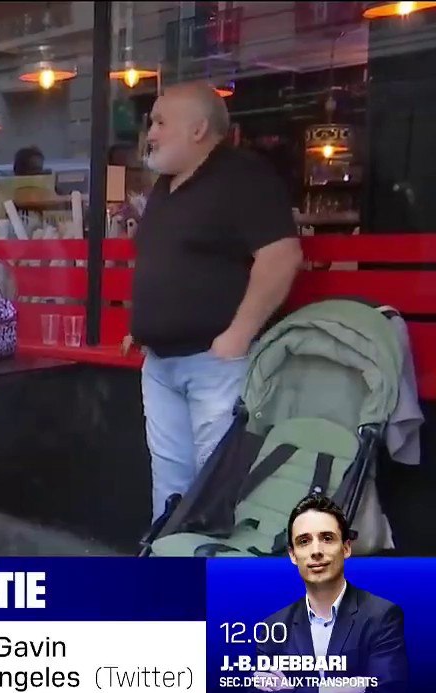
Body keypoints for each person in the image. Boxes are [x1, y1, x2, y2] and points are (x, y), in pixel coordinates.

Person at [125, 81, 303, 520]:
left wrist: (237, 336)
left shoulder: (243, 175)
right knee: (170, 484)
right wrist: (144, 325)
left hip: (214, 363)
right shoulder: (167, 186)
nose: (150, 132)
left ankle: (219, 585)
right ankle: (171, 573)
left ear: (198, 128)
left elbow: (281, 256)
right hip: (161, 363)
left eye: (161, 122)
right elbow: (171, 260)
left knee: (219, 488)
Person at [245, 494, 408, 693]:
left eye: (327, 538)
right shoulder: (273, 626)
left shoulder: (382, 616)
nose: (316, 551)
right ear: (292, 555)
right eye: (304, 541)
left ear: (347, 548)